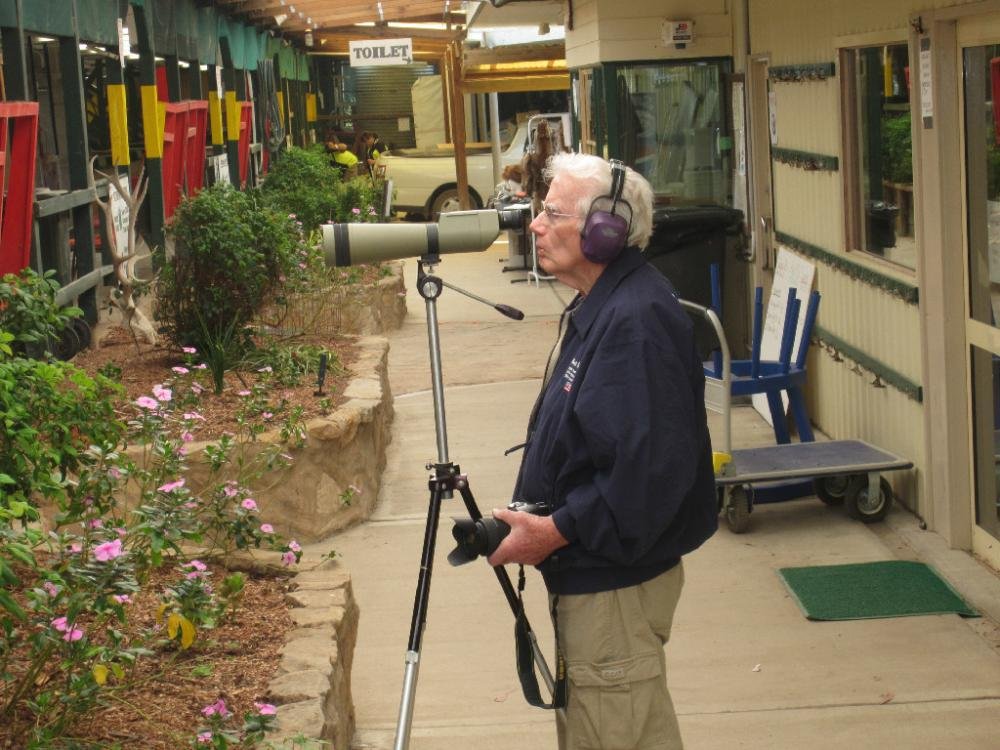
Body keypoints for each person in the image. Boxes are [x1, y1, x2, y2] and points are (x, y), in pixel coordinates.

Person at [487, 152, 718, 750]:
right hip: (594, 580)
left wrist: (554, 530)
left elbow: (644, 483)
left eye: (551, 212)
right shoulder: (605, 305)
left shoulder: (635, 322)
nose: (533, 224)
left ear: (605, 230)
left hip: (613, 589)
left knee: (619, 733)